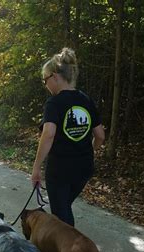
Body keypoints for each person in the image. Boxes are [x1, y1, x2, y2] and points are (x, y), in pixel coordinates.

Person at [31, 47, 105, 227]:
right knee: (64, 209)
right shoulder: (85, 100)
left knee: (62, 219)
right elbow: (100, 136)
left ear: (55, 76)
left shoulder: (54, 103)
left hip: (60, 170)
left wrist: (36, 168)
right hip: (84, 167)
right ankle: (68, 249)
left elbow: (48, 135)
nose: (45, 85)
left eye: (45, 80)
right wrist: (88, 151)